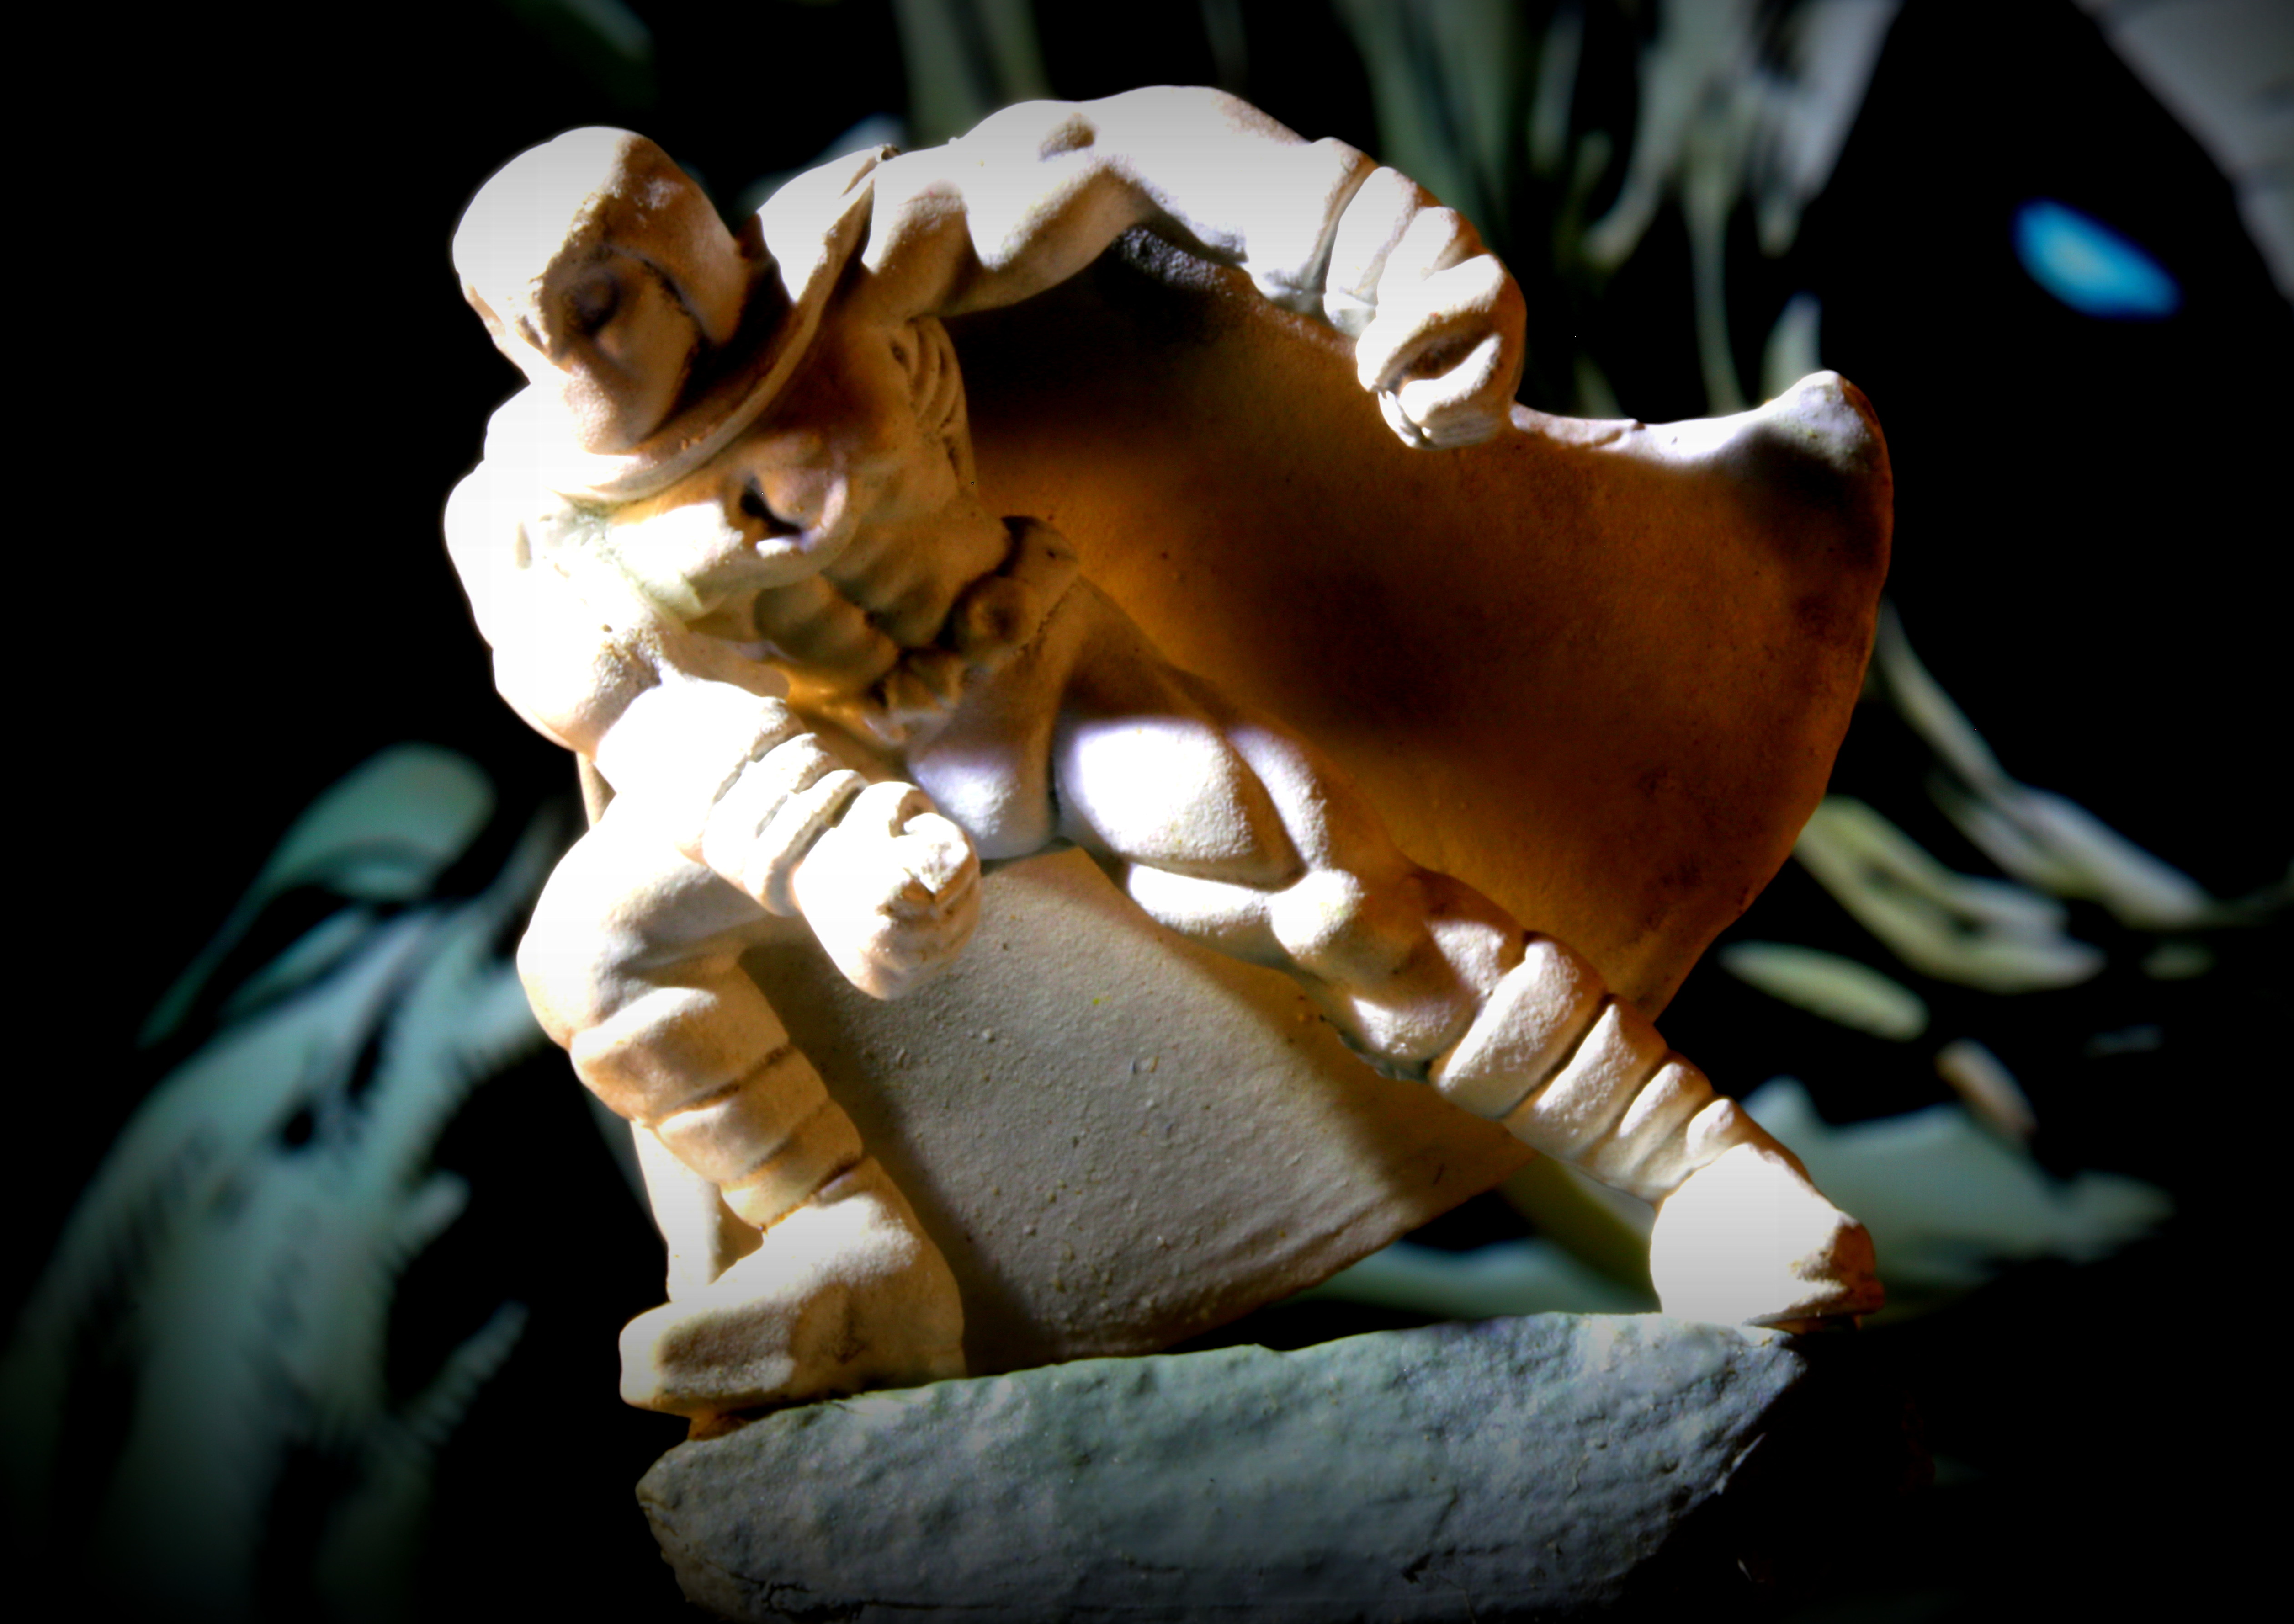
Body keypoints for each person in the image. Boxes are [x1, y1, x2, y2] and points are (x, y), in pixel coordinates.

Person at [445, 88, 1880, 1424]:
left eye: (598, 302)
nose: (575, 357)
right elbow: (629, 711)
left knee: (1346, 910)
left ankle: (1701, 1175)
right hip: (830, 775)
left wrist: (1381, 254)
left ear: (678, 249)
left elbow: (1113, 155)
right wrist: (815, 841)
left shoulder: (849, 257)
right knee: (594, 957)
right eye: (532, 331)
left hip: (1033, 680)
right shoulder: (525, 510)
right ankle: (850, 1245)